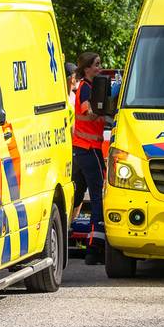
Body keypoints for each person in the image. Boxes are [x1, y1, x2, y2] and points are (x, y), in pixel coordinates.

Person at [71, 51, 107, 264]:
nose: (99, 68)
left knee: (76, 197)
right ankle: (95, 248)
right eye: (96, 64)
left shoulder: (88, 87)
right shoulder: (86, 88)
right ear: (86, 68)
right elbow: (88, 112)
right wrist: (103, 108)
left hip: (82, 149)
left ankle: (66, 235)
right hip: (89, 149)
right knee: (97, 198)